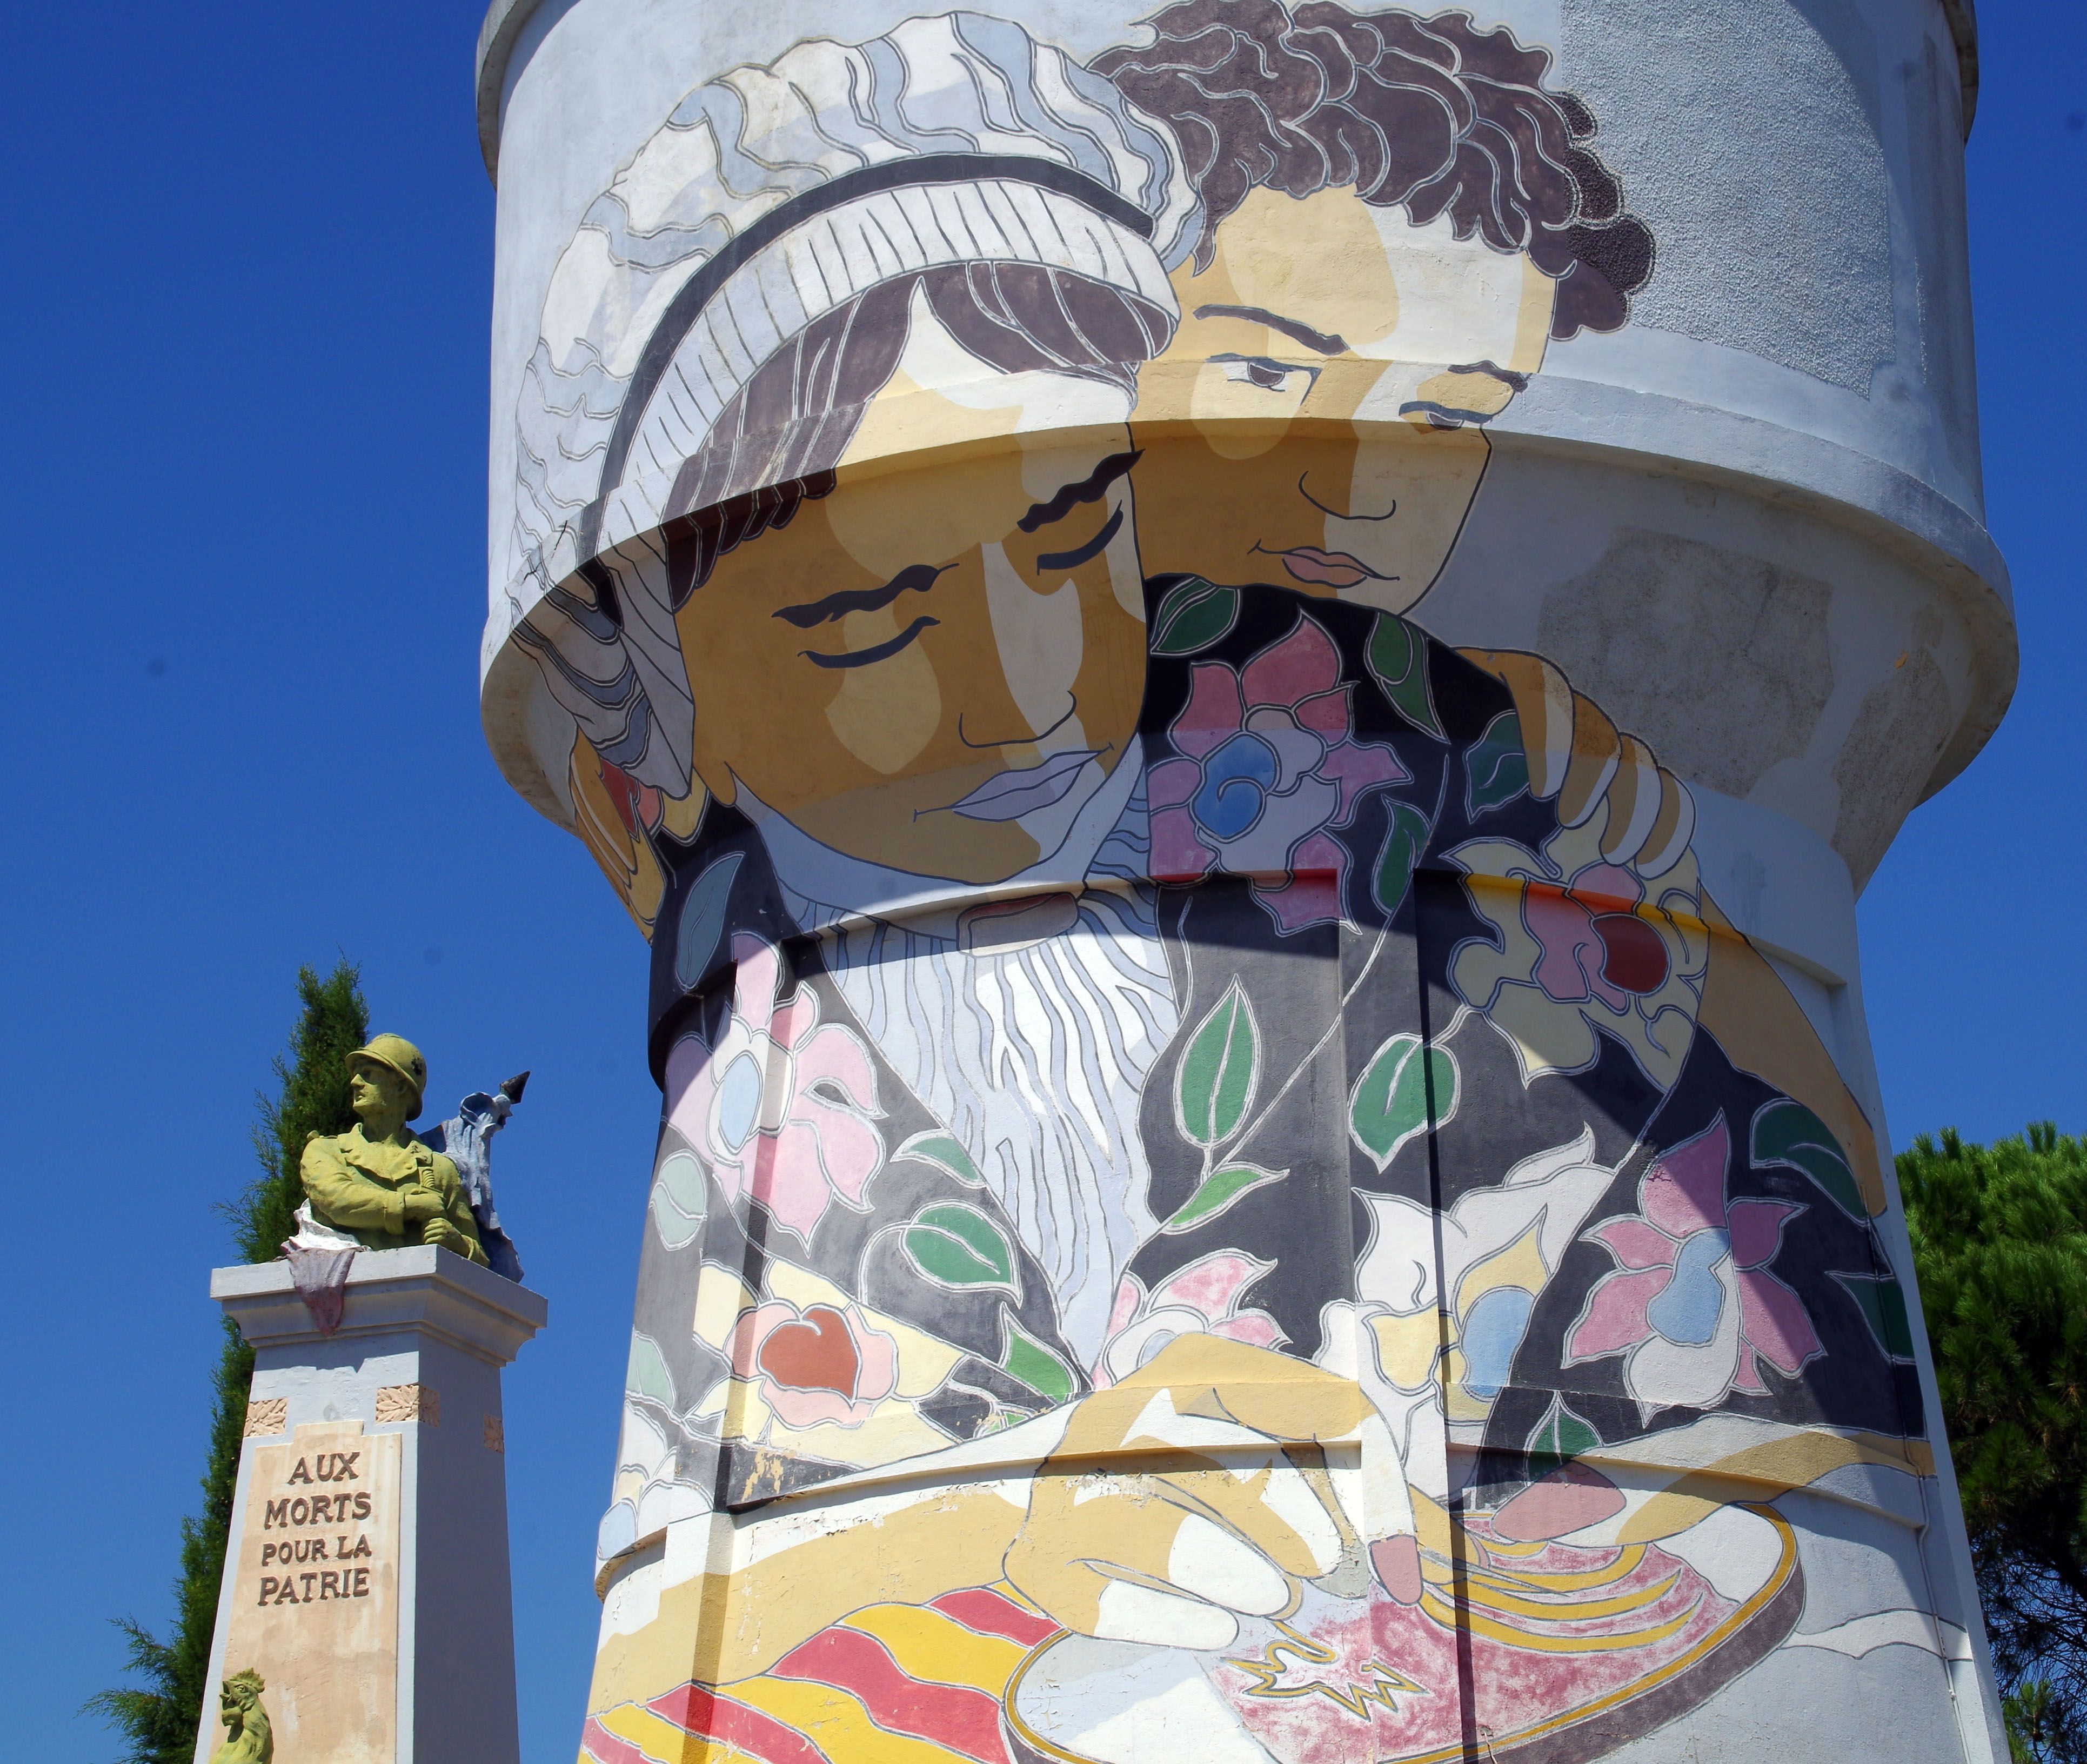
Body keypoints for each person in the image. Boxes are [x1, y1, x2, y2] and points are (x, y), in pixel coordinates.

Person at [504, 12, 1929, 1762]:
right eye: (863, 618)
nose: (1026, 687)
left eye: (1071, 533)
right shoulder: (746, 1065)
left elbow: (1789, 1327)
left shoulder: (1473, 784)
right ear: (645, 719)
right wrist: (998, 1515)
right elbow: (696, 1593)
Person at [300, 1034, 487, 1265]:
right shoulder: (326, 1151)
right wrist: (408, 1206)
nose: (355, 1082)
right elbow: (337, 1201)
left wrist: (457, 1242)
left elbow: (481, 1261)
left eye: (369, 1075)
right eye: (357, 1074)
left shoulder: (439, 1169)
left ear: (400, 1086)